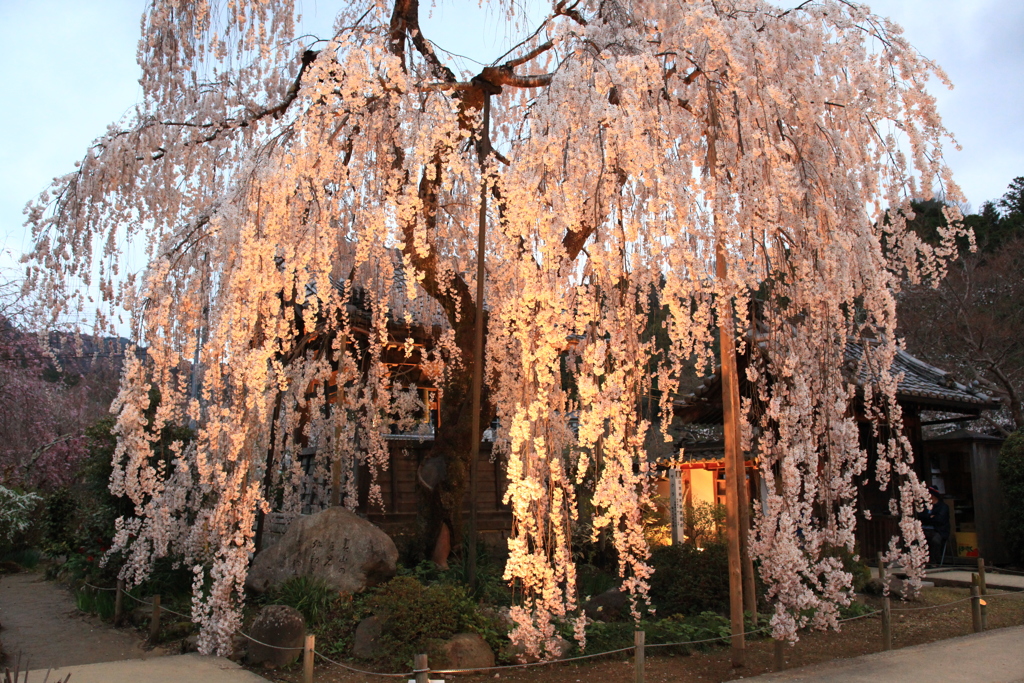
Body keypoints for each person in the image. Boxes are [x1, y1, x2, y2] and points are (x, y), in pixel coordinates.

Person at [919, 486, 951, 564]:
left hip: (938, 530)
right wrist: (930, 517)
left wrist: (929, 518)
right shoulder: (925, 506)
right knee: (917, 539)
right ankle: (921, 561)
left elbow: (939, 520)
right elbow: (921, 517)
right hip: (924, 529)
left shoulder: (943, 507)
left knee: (935, 541)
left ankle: (934, 561)